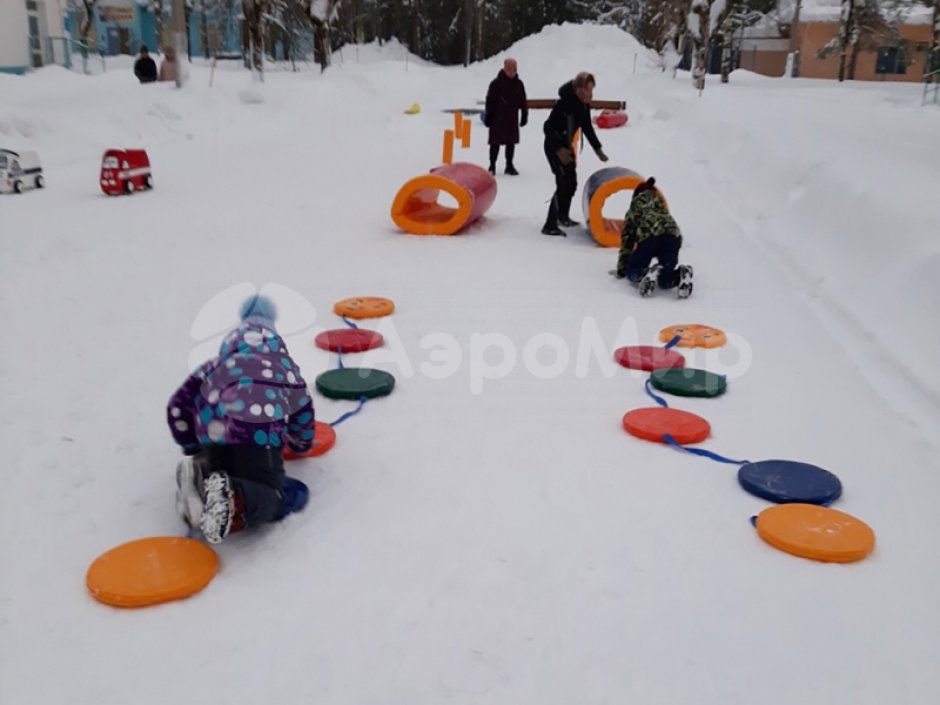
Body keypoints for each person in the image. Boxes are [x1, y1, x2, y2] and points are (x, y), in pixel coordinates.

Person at [168, 295, 316, 543]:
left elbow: (178, 406)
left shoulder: (214, 365)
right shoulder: (283, 367)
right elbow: (302, 409)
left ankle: (201, 474)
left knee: (222, 471)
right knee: (272, 494)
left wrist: (193, 446)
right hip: (257, 435)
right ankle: (234, 496)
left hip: (213, 434)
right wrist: (301, 444)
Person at [541, 72, 608, 237]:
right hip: (554, 146)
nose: (591, 95)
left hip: (567, 147)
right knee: (562, 183)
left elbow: (587, 128)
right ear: (579, 89)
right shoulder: (563, 104)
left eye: (592, 90)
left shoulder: (583, 106)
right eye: (588, 90)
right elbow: (547, 128)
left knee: (571, 182)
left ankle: (563, 216)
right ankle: (550, 224)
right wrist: (558, 149)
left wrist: (598, 149)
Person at [615, 177, 693, 298]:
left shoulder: (634, 209)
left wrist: (622, 268)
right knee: (664, 280)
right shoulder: (661, 206)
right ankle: (681, 274)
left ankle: (646, 273)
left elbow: (627, 241)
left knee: (633, 271)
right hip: (673, 237)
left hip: (650, 237)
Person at [484, 58, 528, 176]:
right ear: (504, 68)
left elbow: (523, 100)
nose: (511, 71)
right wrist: (488, 115)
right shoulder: (496, 83)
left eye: (513, 69)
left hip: (511, 118)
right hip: (497, 118)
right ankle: (492, 165)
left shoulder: (519, 84)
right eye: (508, 69)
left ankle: (509, 165)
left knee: (511, 142)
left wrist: (524, 114)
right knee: (495, 143)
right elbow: (489, 100)